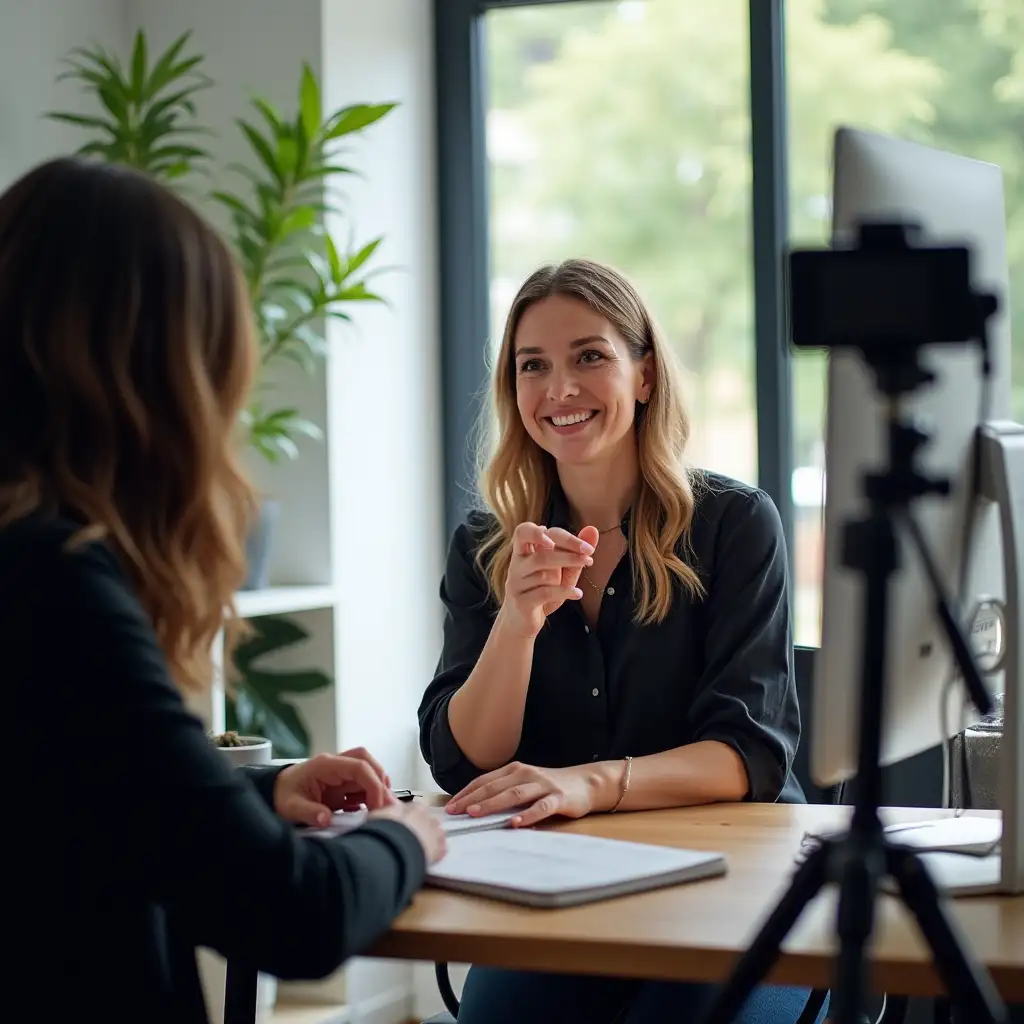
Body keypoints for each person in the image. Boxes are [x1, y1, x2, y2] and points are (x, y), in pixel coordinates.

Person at [1, 157, 445, 1023]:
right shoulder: (54, 584)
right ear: (161, 378)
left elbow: (68, 803)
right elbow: (290, 913)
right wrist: (405, 839)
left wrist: (253, 792)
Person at [418, 259, 824, 1023]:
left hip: (737, 891)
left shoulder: (734, 524)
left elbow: (749, 752)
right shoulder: (487, 543)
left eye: (589, 357)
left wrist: (590, 782)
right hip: (562, 892)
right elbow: (462, 759)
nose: (558, 389)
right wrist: (516, 623)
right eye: (531, 366)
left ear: (643, 375)